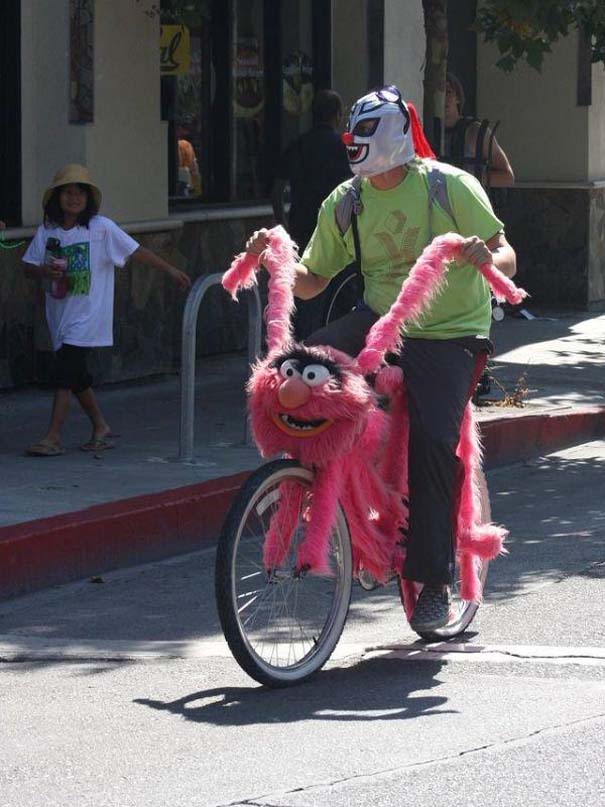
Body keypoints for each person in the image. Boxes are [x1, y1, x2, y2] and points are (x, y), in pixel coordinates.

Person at [245, 85, 516, 633]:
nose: (354, 143)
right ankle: (321, 477)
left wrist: (487, 255)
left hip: (450, 331)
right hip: (377, 315)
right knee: (304, 367)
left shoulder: (449, 187)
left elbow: (507, 256)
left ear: (392, 135)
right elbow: (313, 279)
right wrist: (272, 255)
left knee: (435, 443)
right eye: (352, 133)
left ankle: (435, 578)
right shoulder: (348, 200)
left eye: (364, 133)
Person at [22, 163, 191, 457]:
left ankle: (53, 436)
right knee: (76, 375)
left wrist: (170, 270)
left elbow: (136, 251)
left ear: (88, 199)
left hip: (88, 318)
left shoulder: (101, 229)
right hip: (60, 315)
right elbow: (28, 266)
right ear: (56, 198)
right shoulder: (47, 232)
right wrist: (43, 272)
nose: (73, 199)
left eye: (79, 193)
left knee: (64, 374)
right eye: (67, 193)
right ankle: (101, 427)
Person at [271, 89, 352, 337]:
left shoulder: (299, 145)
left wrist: (282, 223)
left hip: (302, 226)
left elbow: (276, 189)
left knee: (305, 294)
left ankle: (304, 341)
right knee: (342, 293)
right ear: (338, 116)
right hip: (341, 229)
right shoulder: (344, 149)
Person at [444, 72, 514, 189]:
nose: (444, 98)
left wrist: (470, 177)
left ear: (457, 98)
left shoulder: (475, 132)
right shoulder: (424, 132)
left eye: (448, 92)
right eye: (439, 93)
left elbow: (507, 177)